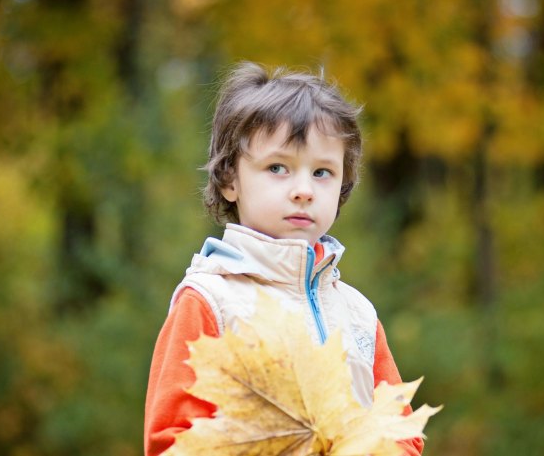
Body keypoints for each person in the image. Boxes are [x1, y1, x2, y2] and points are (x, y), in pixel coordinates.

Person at [144, 62, 424, 456]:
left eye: (323, 172)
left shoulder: (358, 313)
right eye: (278, 167)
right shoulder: (210, 301)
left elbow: (401, 431)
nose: (303, 190)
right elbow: (172, 440)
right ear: (230, 180)